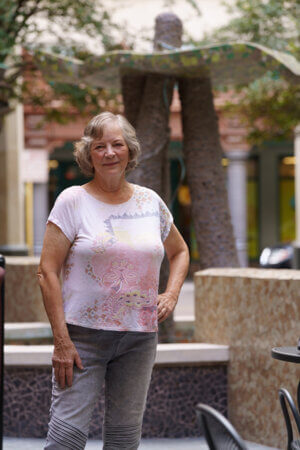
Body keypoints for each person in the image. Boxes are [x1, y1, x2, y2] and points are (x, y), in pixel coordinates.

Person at [38, 111, 190, 449]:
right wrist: (61, 342)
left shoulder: (150, 202)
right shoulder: (72, 201)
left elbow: (180, 252)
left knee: (123, 441)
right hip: (82, 338)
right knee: (66, 440)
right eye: (100, 146)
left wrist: (172, 294)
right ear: (88, 154)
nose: (109, 153)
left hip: (139, 338)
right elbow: (46, 271)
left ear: (129, 151)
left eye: (117, 144)